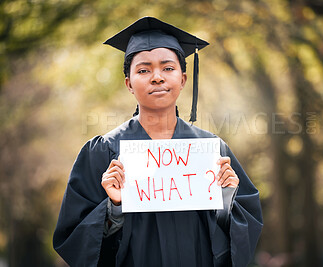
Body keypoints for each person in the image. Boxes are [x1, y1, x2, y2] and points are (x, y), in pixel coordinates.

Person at [53, 16, 263, 267]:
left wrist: (226, 198)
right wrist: (114, 207)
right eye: (143, 70)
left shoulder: (211, 151)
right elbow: (73, 237)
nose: (157, 77)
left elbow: (245, 227)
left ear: (183, 79)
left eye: (168, 68)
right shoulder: (103, 152)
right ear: (129, 84)